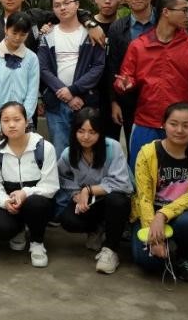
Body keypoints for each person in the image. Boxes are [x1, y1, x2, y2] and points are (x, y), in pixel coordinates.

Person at [114, 0, 188, 170]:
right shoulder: (139, 45)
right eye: (184, 10)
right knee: (141, 174)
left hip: (182, 125)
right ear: (166, 12)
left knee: (182, 178)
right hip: (146, 122)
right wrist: (124, 84)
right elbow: (126, 77)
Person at [131, 103, 188, 283]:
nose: (179, 130)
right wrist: (154, 237)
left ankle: (186, 256)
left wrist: (162, 215)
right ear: (163, 124)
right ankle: (165, 246)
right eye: (173, 124)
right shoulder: (147, 153)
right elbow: (144, 197)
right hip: (150, 212)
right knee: (150, 263)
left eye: (187, 125)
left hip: (184, 213)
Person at [56, 108, 132, 275]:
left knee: (117, 201)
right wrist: (76, 193)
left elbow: (122, 183)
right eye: (81, 131)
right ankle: (97, 229)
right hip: (90, 201)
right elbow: (61, 176)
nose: (86, 137)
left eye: (92, 132)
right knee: (68, 220)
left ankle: (111, 249)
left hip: (112, 198)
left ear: (100, 132)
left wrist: (89, 190)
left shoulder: (112, 147)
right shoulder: (69, 153)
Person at [38, 0, 105, 157]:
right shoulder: (47, 36)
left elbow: (98, 66)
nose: (62, 8)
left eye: (67, 3)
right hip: (56, 103)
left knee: (88, 152)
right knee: (60, 152)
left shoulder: (91, 33)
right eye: (57, 5)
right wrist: (66, 95)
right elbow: (43, 68)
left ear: (77, 5)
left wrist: (74, 90)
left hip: (85, 101)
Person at [0, 102, 59, 268]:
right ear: (0, 123)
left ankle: (37, 242)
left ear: (26, 121)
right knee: (1, 228)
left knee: (36, 204)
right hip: (10, 201)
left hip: (37, 201)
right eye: (6, 120)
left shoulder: (44, 148)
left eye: (17, 119)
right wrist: (5, 202)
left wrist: (25, 193)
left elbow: (50, 186)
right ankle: (19, 229)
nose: (11, 125)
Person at [106, 0, 156, 147]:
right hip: (130, 100)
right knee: (134, 147)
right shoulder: (117, 27)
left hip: (160, 96)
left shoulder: (164, 22)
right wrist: (114, 102)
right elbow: (113, 66)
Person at [0, 12, 39, 138]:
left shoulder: (32, 58)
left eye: (23, 34)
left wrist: (22, 120)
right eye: (14, 33)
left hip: (24, 123)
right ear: (6, 29)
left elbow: (32, 93)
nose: (18, 38)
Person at [92, 0, 124, 141]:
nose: (107, 1)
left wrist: (115, 100)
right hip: (88, 95)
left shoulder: (125, 27)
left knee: (111, 143)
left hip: (115, 96)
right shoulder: (85, 25)